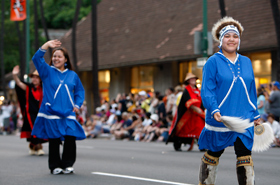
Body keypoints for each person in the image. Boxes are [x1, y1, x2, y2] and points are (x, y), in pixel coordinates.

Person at [197, 17, 260, 185]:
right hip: (221, 116)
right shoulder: (212, 62)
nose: (232, 39)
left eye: (235, 36)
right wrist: (214, 109)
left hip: (243, 117)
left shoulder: (246, 61)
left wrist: (255, 114)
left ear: (239, 40)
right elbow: (207, 90)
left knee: (245, 155)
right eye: (227, 36)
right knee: (214, 153)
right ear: (220, 39)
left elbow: (251, 90)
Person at [31, 40, 86, 175]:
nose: (56, 59)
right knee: (54, 139)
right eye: (54, 56)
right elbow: (36, 58)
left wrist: (77, 105)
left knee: (70, 137)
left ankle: (68, 164)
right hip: (52, 112)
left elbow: (80, 91)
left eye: (59, 56)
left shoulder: (73, 75)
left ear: (65, 59)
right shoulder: (47, 72)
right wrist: (46, 45)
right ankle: (55, 166)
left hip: (68, 113)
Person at [166, 73, 205, 151]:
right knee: (183, 129)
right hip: (187, 114)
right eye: (191, 79)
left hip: (197, 114)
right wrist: (195, 108)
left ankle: (202, 145)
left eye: (194, 78)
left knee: (200, 129)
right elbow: (187, 101)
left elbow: (201, 100)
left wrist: (202, 109)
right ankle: (177, 144)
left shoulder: (198, 90)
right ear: (188, 81)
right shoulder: (186, 90)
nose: (193, 80)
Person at [13, 66, 45, 155]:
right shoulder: (28, 88)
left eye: (36, 77)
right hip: (30, 114)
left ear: (40, 79)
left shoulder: (44, 89)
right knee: (35, 128)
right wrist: (14, 75)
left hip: (41, 113)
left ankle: (32, 145)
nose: (34, 79)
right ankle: (38, 148)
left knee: (41, 130)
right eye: (33, 77)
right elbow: (19, 83)